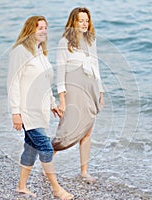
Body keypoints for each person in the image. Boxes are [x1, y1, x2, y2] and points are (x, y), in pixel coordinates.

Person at [7, 16, 74, 200]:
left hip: (41, 110)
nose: (44, 31)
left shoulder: (40, 52)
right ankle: (56, 189)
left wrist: (53, 104)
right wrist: (15, 113)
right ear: (30, 30)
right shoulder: (19, 52)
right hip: (27, 111)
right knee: (45, 147)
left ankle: (21, 186)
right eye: (40, 28)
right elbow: (13, 84)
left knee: (30, 148)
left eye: (45, 27)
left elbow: (44, 84)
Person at [51, 7, 105, 183]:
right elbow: (60, 72)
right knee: (66, 130)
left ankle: (84, 172)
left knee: (87, 132)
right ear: (73, 22)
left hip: (91, 88)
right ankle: (47, 162)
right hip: (73, 89)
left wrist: (101, 91)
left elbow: (96, 66)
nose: (84, 24)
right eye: (81, 20)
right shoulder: (64, 42)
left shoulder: (91, 40)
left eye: (87, 20)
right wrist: (62, 99)